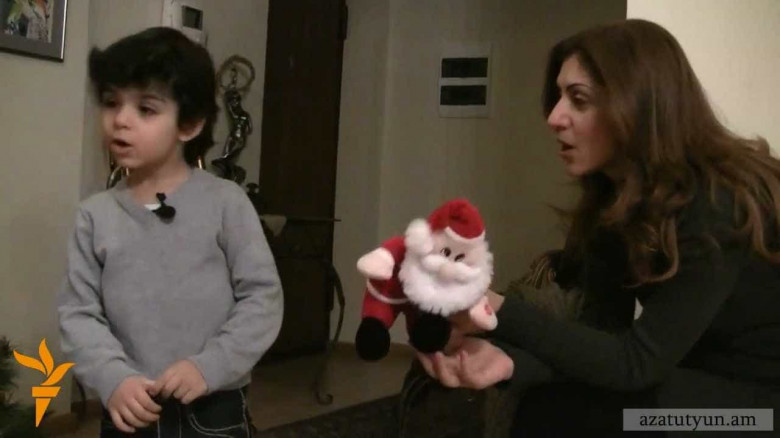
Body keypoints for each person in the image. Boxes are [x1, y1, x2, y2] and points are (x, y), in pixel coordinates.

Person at [417, 19, 780, 436]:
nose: (554, 117)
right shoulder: (616, 202)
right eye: (558, 97)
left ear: (637, 107)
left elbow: (636, 362)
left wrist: (494, 307)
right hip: (696, 380)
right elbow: (602, 339)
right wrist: (511, 364)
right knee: (550, 405)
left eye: (579, 99)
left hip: (761, 411)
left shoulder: (717, 201)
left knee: (604, 419)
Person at [57, 27, 284, 437]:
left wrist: (210, 365)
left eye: (146, 108)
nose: (120, 120)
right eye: (111, 103)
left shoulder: (226, 203)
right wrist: (112, 377)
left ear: (190, 123)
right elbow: (78, 313)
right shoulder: (95, 216)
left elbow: (262, 298)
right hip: (129, 407)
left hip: (213, 407)